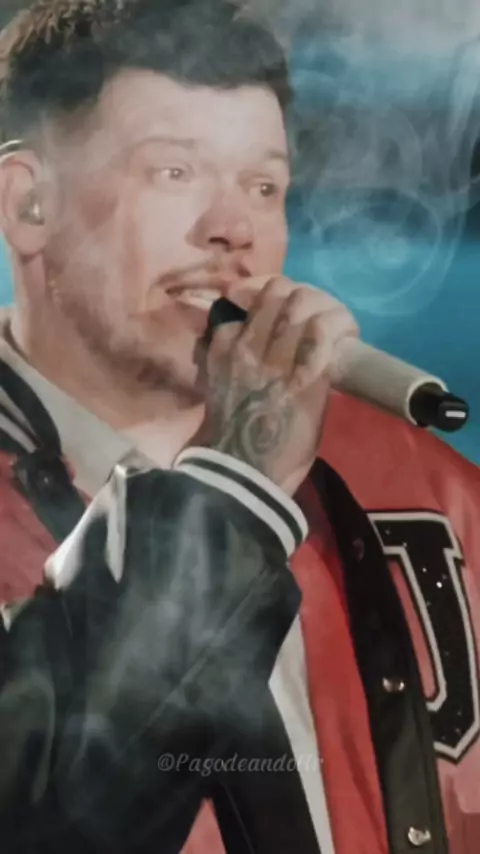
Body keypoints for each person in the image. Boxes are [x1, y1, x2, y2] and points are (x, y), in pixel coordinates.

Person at [0, 0, 478, 852]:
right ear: (29, 204)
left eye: (264, 186)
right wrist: (236, 489)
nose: (236, 229)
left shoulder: (423, 486)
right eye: (174, 172)